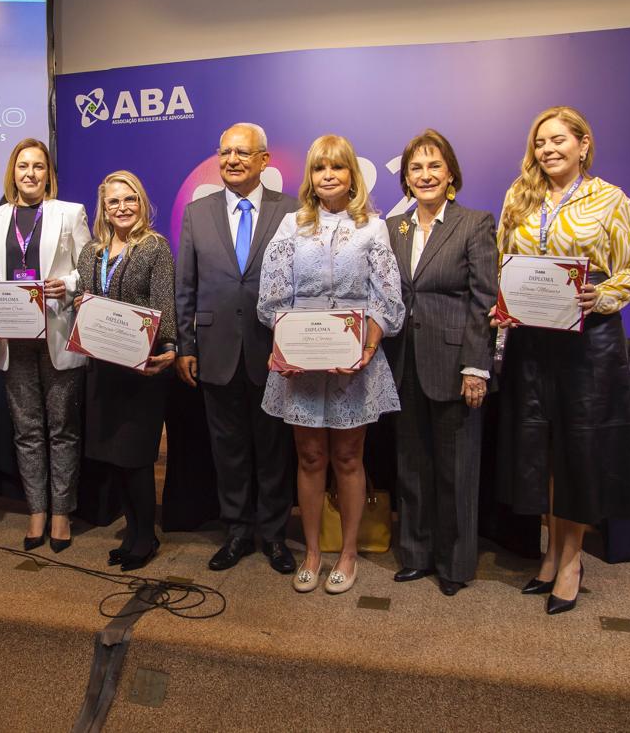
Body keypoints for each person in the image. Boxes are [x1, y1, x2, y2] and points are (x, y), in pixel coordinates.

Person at [494, 105, 630, 615]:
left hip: (588, 342)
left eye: (559, 140)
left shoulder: (610, 200)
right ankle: (549, 552)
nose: (548, 150)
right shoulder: (520, 195)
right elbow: (502, 264)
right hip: (533, 342)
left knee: (578, 452)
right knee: (542, 448)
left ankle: (572, 559)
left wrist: (598, 296)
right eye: (540, 142)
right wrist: (504, 303)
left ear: (583, 144)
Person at [257, 135, 404, 595]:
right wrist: (285, 344)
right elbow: (271, 297)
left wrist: (368, 344)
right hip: (301, 366)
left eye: (337, 168)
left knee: (347, 457)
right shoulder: (290, 226)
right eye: (320, 169)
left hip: (354, 365)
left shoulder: (372, 229)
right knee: (310, 456)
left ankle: (348, 554)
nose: (328, 176)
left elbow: (388, 300)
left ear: (351, 176)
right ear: (311, 177)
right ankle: (313, 553)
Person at [175, 123, 299, 574]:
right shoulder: (198, 211)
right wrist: (186, 344)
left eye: (242, 153)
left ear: (264, 160)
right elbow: (185, 284)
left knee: (273, 448)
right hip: (215, 348)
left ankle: (274, 535)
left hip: (273, 351)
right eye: (225, 152)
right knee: (227, 447)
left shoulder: (291, 211)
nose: (232, 160)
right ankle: (237, 531)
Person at [384, 130, 497, 597]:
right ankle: (414, 553)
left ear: (450, 174)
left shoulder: (474, 224)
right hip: (403, 362)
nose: (425, 175)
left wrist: (476, 366)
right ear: (406, 178)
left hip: (454, 365)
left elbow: (483, 301)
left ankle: (454, 563)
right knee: (411, 463)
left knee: (457, 468)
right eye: (416, 168)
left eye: (434, 166)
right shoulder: (395, 228)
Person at [0, 139, 92, 552]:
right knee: (27, 429)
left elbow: (87, 271)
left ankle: (62, 512)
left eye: (38, 167)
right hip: (12, 336)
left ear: (49, 174)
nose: (30, 174)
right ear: (12, 172)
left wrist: (63, 284)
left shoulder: (70, 213)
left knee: (62, 428)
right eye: (23, 166)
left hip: (57, 332)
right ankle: (35, 510)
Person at [76, 171, 177, 572]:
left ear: (142, 201)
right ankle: (133, 530)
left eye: (129, 199)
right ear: (104, 208)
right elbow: (85, 301)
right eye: (114, 201)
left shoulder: (155, 247)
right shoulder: (91, 252)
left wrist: (168, 347)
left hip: (142, 368)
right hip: (102, 367)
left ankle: (145, 536)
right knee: (111, 457)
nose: (122, 207)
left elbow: (163, 303)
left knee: (135, 457)